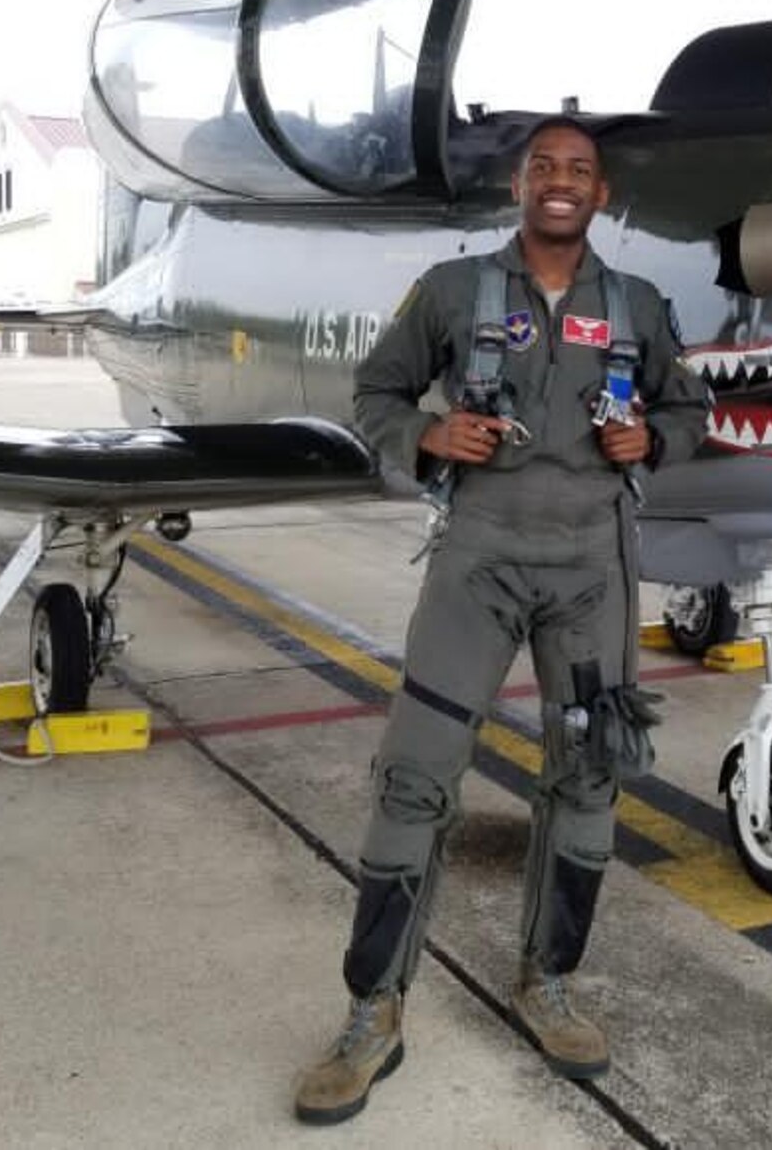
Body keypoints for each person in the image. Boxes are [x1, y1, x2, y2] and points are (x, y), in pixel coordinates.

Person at [294, 117, 710, 1125]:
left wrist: (645, 438)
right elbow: (374, 393)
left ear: (599, 195)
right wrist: (428, 434)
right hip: (476, 564)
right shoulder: (450, 292)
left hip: (590, 574)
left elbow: (689, 417)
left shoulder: (640, 308)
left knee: (585, 781)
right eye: (542, 169)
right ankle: (372, 1011)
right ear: (518, 187)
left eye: (577, 171)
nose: (559, 183)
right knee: (413, 779)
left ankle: (547, 984)